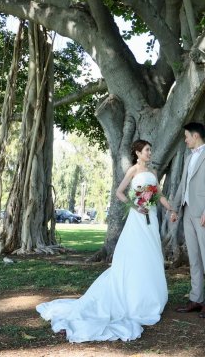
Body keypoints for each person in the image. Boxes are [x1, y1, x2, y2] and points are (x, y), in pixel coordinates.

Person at [36, 139, 177, 342]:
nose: (149, 153)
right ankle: (133, 299)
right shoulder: (133, 171)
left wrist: (171, 209)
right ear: (138, 153)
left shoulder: (153, 173)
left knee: (152, 254)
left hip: (151, 217)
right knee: (136, 254)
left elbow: (160, 195)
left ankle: (150, 298)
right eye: (147, 150)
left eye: (150, 150)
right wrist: (135, 205)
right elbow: (119, 192)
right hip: (137, 218)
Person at [170, 121, 205, 318]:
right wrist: (175, 208)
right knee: (194, 258)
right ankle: (195, 298)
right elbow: (182, 185)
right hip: (187, 212)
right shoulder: (188, 157)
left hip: (203, 215)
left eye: (186, 136)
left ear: (195, 136)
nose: (185, 140)